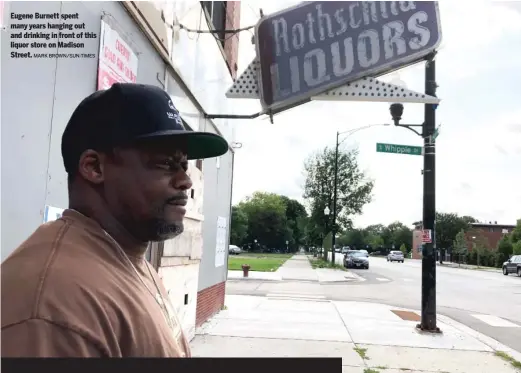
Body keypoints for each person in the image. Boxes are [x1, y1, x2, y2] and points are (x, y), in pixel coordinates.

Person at [1, 83, 229, 357]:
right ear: (94, 167)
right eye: (166, 163)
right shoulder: (52, 306)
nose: (185, 180)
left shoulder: (126, 256)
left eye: (184, 165)